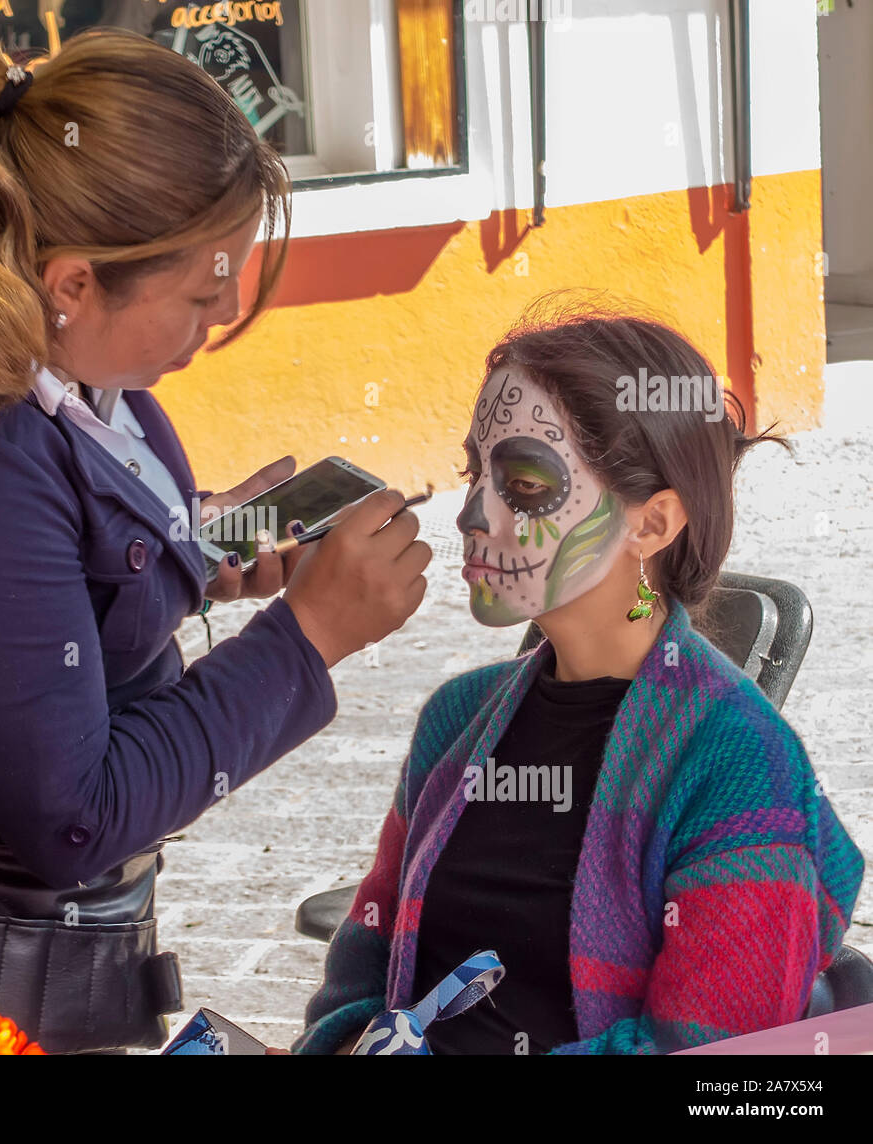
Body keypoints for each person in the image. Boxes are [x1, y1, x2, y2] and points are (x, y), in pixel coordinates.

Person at [0, 26, 431, 1054]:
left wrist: (191, 545)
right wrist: (308, 638)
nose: (228, 309)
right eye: (204, 291)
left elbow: (27, 561)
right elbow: (75, 817)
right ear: (70, 284)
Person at [295, 299, 865, 1055]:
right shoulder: (456, 718)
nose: (472, 513)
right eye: (475, 470)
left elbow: (708, 1057)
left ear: (652, 525)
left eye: (524, 485)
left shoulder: (741, 766)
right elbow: (365, 965)